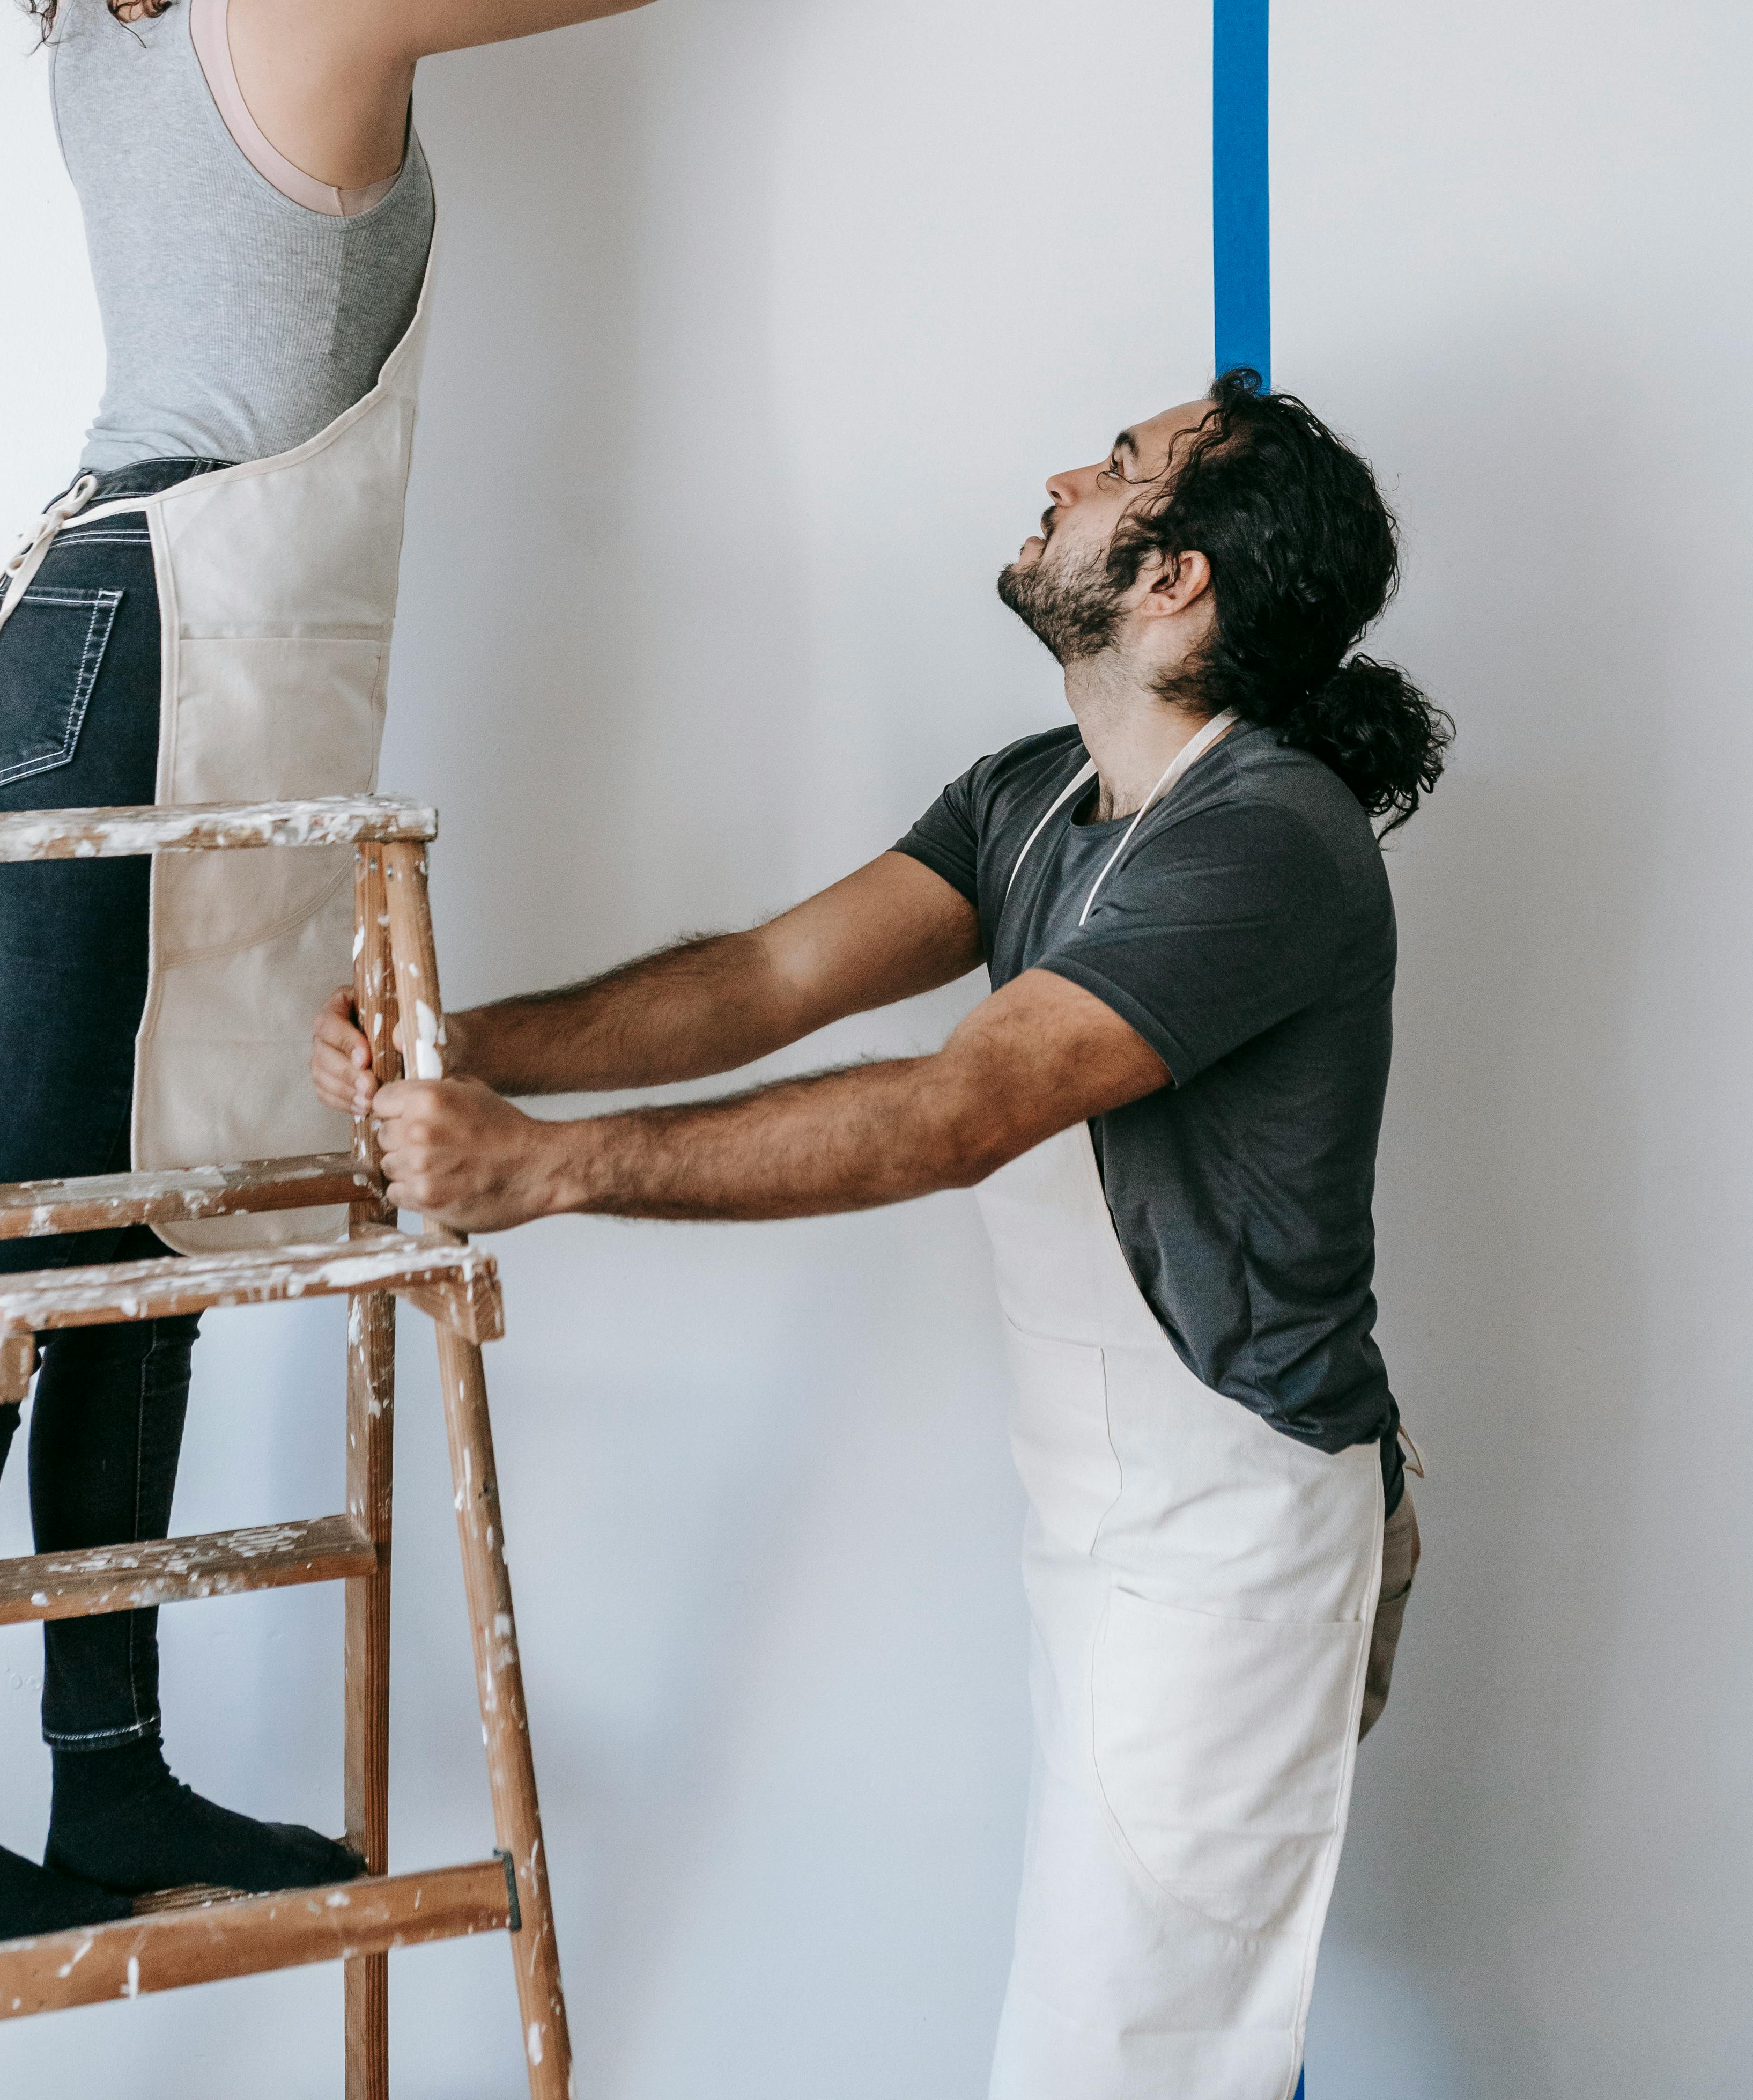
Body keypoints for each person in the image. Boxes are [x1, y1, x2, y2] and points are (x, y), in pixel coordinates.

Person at [0, 0, 735, 1951]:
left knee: (127, 1205)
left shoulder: (131, 6)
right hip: (164, 649)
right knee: (31, 1242)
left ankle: (90, 1778)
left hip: (97, 628)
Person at [313, 369, 1451, 2100]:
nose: (1071, 471)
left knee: (1119, 2059)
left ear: (1176, 581)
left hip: (1234, 1537)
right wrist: (463, 1048)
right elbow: (763, 979)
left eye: (1126, 466)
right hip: (1097, 1517)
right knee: (1125, 2025)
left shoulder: (1266, 840)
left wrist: (547, 1170)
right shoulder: (1034, 795)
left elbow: (956, 1111)